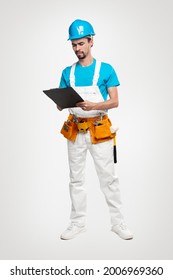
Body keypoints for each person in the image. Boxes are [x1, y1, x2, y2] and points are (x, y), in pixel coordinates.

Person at [58, 19, 133, 240]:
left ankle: (118, 223)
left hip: (100, 130)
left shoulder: (105, 69)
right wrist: (60, 102)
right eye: (74, 44)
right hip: (75, 130)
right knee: (76, 179)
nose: (77, 49)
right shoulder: (67, 72)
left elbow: (114, 102)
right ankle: (77, 223)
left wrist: (93, 106)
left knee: (108, 178)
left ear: (91, 41)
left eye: (81, 43)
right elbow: (60, 103)